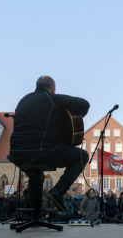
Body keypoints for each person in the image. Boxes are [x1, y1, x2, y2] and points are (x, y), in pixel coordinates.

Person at [9, 76, 90, 212]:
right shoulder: (52, 98)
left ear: (36, 86)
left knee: (35, 176)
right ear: (53, 89)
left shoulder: (23, 100)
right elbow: (84, 104)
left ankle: (34, 215)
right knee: (82, 156)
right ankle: (57, 192)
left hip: (17, 154)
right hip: (42, 150)